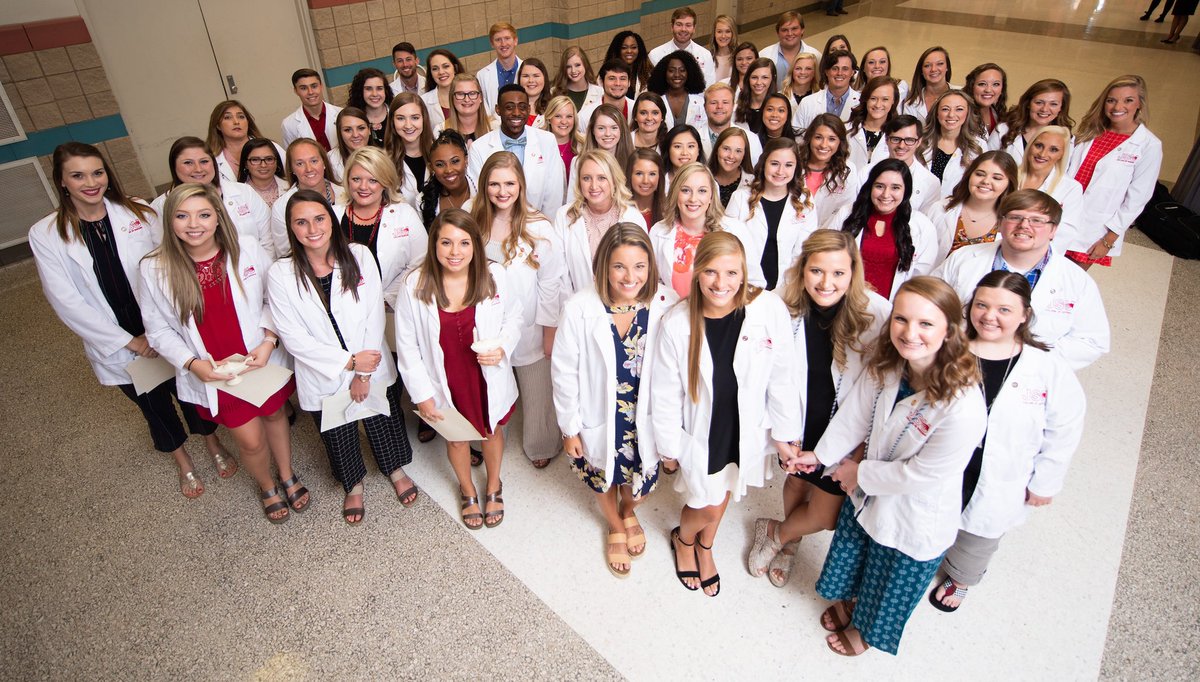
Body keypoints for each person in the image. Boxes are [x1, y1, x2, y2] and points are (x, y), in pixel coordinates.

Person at [788, 276, 988, 656]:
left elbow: (923, 474)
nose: (910, 333)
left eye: (926, 324)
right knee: (860, 554)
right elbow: (857, 412)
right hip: (869, 490)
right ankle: (850, 603)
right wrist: (821, 455)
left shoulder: (963, 406)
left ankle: (863, 632)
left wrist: (856, 473)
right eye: (901, 319)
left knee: (889, 578)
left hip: (914, 512)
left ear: (949, 330)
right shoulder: (892, 363)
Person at [30, 142, 232, 499]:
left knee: (189, 391)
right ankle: (183, 461)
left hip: (160, 322)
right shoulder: (46, 234)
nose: (90, 182)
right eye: (77, 175)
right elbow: (66, 301)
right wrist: (131, 341)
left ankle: (213, 442)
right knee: (152, 403)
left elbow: (171, 265)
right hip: (116, 337)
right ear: (62, 181)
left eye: (97, 172)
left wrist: (157, 332)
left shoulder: (138, 212)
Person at [139, 183, 304, 523]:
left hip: (260, 358)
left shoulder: (246, 248)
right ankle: (267, 485)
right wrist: (191, 363)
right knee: (250, 439)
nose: (193, 224)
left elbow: (273, 299)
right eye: (182, 216)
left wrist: (269, 341)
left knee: (275, 416)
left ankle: (287, 474)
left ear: (218, 217)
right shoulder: (155, 267)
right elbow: (157, 330)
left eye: (203, 214)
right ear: (170, 222)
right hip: (217, 373)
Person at [652, 231, 801, 596]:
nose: (722, 284)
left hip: (744, 426)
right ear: (698, 272)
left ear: (744, 272)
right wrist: (669, 448)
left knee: (726, 492)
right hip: (703, 431)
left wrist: (784, 433)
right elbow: (665, 394)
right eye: (712, 273)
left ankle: (705, 547)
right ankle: (685, 539)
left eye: (732, 273)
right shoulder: (677, 324)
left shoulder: (767, 309)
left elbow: (783, 374)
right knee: (703, 500)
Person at [928, 270, 1085, 612]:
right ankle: (925, 556)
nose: (989, 316)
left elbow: (1066, 426)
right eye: (982, 305)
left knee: (979, 533)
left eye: (1004, 310)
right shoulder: (949, 349)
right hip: (948, 457)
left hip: (1002, 468)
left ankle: (961, 576)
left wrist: (1046, 482)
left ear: (1025, 314)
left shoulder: (1045, 366)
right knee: (932, 512)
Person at [747, 230, 890, 587]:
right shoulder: (783, 304)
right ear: (803, 268)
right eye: (817, 271)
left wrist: (857, 448)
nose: (826, 283)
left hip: (844, 424)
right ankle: (791, 542)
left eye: (838, 273)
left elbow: (877, 391)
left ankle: (777, 533)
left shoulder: (877, 312)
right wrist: (779, 434)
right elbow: (765, 374)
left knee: (826, 513)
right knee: (796, 481)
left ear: (853, 272)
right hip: (798, 416)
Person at [267, 190, 418, 525]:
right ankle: (353, 483)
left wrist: (363, 373)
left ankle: (394, 468)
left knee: (383, 418)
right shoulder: (281, 273)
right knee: (338, 431)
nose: (312, 229)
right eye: (301, 222)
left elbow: (373, 315)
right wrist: (348, 365)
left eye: (319, 219)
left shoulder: (359, 255)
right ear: (291, 229)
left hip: (370, 361)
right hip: (324, 372)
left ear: (331, 221)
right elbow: (293, 337)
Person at [553, 223, 678, 576]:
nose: (630, 277)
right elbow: (564, 371)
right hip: (598, 413)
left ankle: (628, 509)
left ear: (651, 267)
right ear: (604, 266)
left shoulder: (666, 303)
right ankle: (614, 522)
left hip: (646, 415)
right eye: (619, 266)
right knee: (602, 473)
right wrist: (570, 428)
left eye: (639, 266)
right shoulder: (580, 307)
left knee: (641, 477)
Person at [395, 209, 521, 529]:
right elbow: (407, 345)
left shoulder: (494, 275)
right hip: (444, 378)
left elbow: (514, 317)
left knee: (491, 432)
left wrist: (503, 345)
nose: (455, 252)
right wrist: (422, 393)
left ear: (476, 246)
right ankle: (467, 491)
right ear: (434, 244)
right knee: (456, 439)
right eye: (446, 243)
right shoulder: (415, 285)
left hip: (484, 375)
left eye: (464, 243)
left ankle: (493, 485)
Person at [932, 189, 1111, 370]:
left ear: (1053, 230)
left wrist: (1028, 359)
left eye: (1037, 220)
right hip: (956, 362)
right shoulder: (964, 258)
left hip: (1030, 378)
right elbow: (929, 306)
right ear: (1000, 223)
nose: (1024, 225)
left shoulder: (1077, 281)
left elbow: (1091, 341)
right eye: (1015, 217)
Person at [472, 152, 565, 469]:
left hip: (529, 325)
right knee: (486, 382)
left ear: (521, 185)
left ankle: (541, 440)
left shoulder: (539, 227)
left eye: (509, 183)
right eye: (494, 184)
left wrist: (549, 331)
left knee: (536, 389)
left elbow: (552, 283)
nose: (502, 191)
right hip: (485, 325)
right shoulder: (473, 222)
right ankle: (481, 436)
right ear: (484, 186)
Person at [1063, 75, 1162, 269]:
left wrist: (1108, 240)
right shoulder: (1090, 131)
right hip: (1062, 216)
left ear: (1139, 104)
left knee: (1066, 283)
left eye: (1128, 100)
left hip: (1093, 231)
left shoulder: (1148, 145)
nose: (1118, 107)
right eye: (1111, 100)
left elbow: (1137, 199)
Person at [648, 162, 763, 299]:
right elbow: (654, 284)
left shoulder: (736, 230)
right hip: (675, 315)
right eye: (685, 190)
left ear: (711, 196)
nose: (693, 199)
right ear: (675, 194)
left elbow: (754, 283)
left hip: (724, 315)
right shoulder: (658, 232)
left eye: (702, 191)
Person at [828, 159, 938, 300]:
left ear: (906, 191)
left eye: (895, 188)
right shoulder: (847, 213)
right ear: (870, 187)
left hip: (890, 309)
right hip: (844, 301)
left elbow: (920, 278)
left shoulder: (922, 226)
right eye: (879, 186)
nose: (886, 195)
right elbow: (827, 256)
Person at [150, 137, 273, 260]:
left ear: (213, 163)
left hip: (253, 271)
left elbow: (268, 239)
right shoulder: (160, 206)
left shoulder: (244, 192)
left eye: (204, 161)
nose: (198, 169)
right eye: (188, 163)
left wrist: (261, 273)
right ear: (174, 167)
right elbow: (165, 253)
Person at [334, 146, 428, 306]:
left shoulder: (404, 214)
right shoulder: (333, 216)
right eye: (356, 179)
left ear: (385, 182)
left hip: (391, 307)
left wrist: (386, 297)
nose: (363, 187)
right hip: (343, 305)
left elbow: (422, 262)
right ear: (347, 180)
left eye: (373, 180)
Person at [725, 137, 818, 290]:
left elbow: (806, 250)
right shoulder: (741, 198)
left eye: (788, 165)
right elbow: (727, 245)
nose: (781, 171)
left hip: (787, 287)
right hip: (742, 284)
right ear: (763, 164)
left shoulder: (805, 202)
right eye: (774, 164)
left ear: (796, 168)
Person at [555, 149, 645, 299]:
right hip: (578, 307)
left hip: (624, 305)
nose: (594, 186)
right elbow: (559, 272)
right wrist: (573, 307)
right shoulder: (564, 216)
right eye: (586, 178)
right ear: (579, 182)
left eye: (602, 178)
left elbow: (641, 270)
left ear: (614, 180)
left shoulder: (633, 218)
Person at [467, 84, 566, 217]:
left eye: (522, 107)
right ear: (498, 110)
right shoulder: (479, 148)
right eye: (509, 107)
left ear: (529, 109)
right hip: (497, 225)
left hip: (539, 225)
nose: (517, 113)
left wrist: (545, 227)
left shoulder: (547, 140)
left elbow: (554, 193)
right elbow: (480, 195)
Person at [926, 150, 1017, 263]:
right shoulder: (940, 208)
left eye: (997, 178)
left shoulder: (1011, 223)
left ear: (1009, 184)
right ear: (969, 175)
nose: (986, 181)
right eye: (979, 174)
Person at [270, 138, 342, 256]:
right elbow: (285, 253)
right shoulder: (281, 206)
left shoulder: (345, 194)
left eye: (314, 161)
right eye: (300, 164)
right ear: (292, 168)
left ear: (324, 162)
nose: (309, 169)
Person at [1016, 125, 1084, 245]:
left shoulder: (1071, 188)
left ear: (1061, 155)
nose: (1042, 154)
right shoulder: (1008, 176)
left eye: (1053, 150)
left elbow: (1066, 233)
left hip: (1039, 254)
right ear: (1030, 145)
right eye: (1038, 145)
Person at [863, 115, 941, 212]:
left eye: (909, 140)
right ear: (886, 139)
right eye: (896, 139)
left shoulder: (931, 183)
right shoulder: (865, 173)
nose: (901, 145)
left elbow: (924, 221)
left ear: (919, 142)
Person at [989, 79, 1074, 166]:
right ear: (1028, 103)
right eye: (1039, 102)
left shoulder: (1067, 140)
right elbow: (985, 164)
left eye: (1053, 104)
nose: (1044, 109)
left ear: (1061, 108)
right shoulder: (1003, 129)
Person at [918, 90, 986, 197]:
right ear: (937, 113)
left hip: (955, 209)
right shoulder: (919, 141)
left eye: (959, 109)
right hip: (920, 207)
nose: (951, 115)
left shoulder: (979, 146)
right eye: (945, 109)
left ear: (967, 113)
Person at [798, 114, 859, 227]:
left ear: (840, 142)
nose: (824, 145)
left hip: (828, 237)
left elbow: (845, 212)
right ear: (810, 138)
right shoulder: (794, 165)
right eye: (818, 137)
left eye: (831, 139)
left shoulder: (848, 171)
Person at [206, 100, 284, 185]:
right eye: (227, 117)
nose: (236, 122)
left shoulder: (271, 147)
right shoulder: (211, 158)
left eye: (241, 117)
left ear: (248, 122)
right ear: (218, 126)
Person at [384, 93, 436, 212]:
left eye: (415, 117)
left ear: (424, 119)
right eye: (401, 118)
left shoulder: (438, 152)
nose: (408, 125)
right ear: (392, 121)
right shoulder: (384, 161)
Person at [698, 82, 763, 166]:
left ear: (733, 106)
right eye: (713, 103)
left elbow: (756, 173)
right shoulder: (694, 138)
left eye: (725, 102)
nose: (719, 107)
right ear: (705, 107)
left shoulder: (751, 139)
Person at [648, 7, 717, 85]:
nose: (683, 29)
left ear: (694, 28)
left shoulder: (705, 55)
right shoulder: (655, 55)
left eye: (688, 25)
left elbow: (709, 88)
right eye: (679, 24)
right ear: (672, 27)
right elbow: (650, 87)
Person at [421, 130, 474, 229]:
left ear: (466, 160)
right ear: (431, 167)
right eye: (440, 164)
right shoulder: (423, 200)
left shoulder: (482, 189)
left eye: (455, 161)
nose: (449, 170)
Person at [795, 50, 859, 131]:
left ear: (852, 72)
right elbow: (797, 135)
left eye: (845, 69)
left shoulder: (861, 102)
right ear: (826, 72)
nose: (839, 73)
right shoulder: (807, 103)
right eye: (835, 68)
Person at [281, 68, 342, 151]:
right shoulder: (288, 125)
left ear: (321, 86)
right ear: (296, 91)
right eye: (303, 88)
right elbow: (292, 158)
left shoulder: (340, 113)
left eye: (314, 86)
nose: (310, 92)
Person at [846, 76, 898, 169]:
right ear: (866, 99)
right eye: (873, 98)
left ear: (893, 101)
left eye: (885, 99)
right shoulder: (845, 130)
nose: (878, 105)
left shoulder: (898, 135)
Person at [759, 11, 819, 91]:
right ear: (778, 33)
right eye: (784, 30)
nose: (790, 33)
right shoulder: (764, 55)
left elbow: (819, 83)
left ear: (802, 30)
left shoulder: (816, 55)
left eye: (794, 28)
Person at [648, 50, 707, 129]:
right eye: (671, 71)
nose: (677, 75)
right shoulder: (654, 101)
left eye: (682, 70)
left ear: (689, 72)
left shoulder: (700, 101)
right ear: (664, 73)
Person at [477, 22, 523, 115]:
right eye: (498, 40)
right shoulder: (482, 75)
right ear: (492, 44)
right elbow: (483, 111)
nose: (503, 44)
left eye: (507, 38)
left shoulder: (528, 71)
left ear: (515, 41)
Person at [579, 60, 635, 131]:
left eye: (622, 78)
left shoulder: (637, 109)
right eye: (612, 78)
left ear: (629, 82)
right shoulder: (585, 116)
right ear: (601, 82)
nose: (618, 83)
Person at [900, 47, 953, 121]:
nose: (933, 69)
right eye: (927, 65)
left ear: (947, 67)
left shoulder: (963, 93)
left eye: (940, 64)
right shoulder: (910, 105)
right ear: (921, 71)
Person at [346, 67, 394, 148]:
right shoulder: (352, 119)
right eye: (368, 89)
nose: (375, 94)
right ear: (360, 91)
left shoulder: (396, 113)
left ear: (385, 90)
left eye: (379, 88)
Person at [707, 127, 754, 207]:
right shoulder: (703, 177)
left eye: (738, 151)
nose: (731, 156)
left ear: (744, 155)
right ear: (716, 150)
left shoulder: (752, 183)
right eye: (726, 149)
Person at [542, 95, 585, 183]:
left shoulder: (584, 145)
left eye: (569, 116)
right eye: (558, 116)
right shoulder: (538, 145)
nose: (564, 121)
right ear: (549, 119)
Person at [237, 138, 289, 210]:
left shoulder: (291, 187)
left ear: (277, 162)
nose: (263, 165)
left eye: (269, 159)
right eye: (255, 160)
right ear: (246, 164)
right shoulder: (237, 193)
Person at [443, 74, 492, 146]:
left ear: (480, 98)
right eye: (460, 94)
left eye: (472, 93)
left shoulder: (495, 126)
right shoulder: (441, 130)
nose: (466, 99)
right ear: (452, 98)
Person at [422, 49, 465, 131]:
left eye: (446, 66)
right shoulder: (423, 101)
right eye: (435, 69)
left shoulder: (472, 92)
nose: (441, 72)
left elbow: (487, 120)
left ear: (455, 68)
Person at [552, 46, 602, 114]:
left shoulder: (600, 93)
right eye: (568, 67)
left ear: (585, 65)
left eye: (577, 65)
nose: (573, 71)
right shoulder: (554, 92)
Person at [328, 107, 372, 182]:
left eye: (361, 128)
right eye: (348, 130)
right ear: (340, 133)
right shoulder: (330, 160)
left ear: (369, 130)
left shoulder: (382, 157)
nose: (355, 135)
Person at [627, 147, 667, 228]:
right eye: (639, 174)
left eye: (652, 174)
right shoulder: (620, 210)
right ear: (630, 175)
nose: (645, 181)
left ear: (660, 177)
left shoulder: (669, 210)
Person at [733, 58, 776, 135]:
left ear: (773, 78)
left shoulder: (780, 106)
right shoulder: (735, 107)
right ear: (748, 78)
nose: (759, 82)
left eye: (765, 77)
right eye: (754, 77)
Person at [964, 63, 1007, 135]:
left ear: (1002, 89)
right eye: (982, 84)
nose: (988, 90)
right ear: (971, 86)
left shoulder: (998, 113)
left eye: (996, 84)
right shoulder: (960, 114)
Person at [605, 30, 653, 95]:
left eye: (633, 47)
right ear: (617, 50)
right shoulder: (606, 73)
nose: (629, 51)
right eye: (624, 48)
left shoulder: (648, 73)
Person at [518, 57, 551, 124]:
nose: (531, 80)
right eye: (526, 76)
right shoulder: (510, 106)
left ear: (544, 78)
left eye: (536, 76)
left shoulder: (554, 107)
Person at [709, 15, 737, 83]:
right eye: (719, 31)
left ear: (733, 33)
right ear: (714, 34)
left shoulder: (739, 57)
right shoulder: (708, 56)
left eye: (727, 31)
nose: (723, 36)